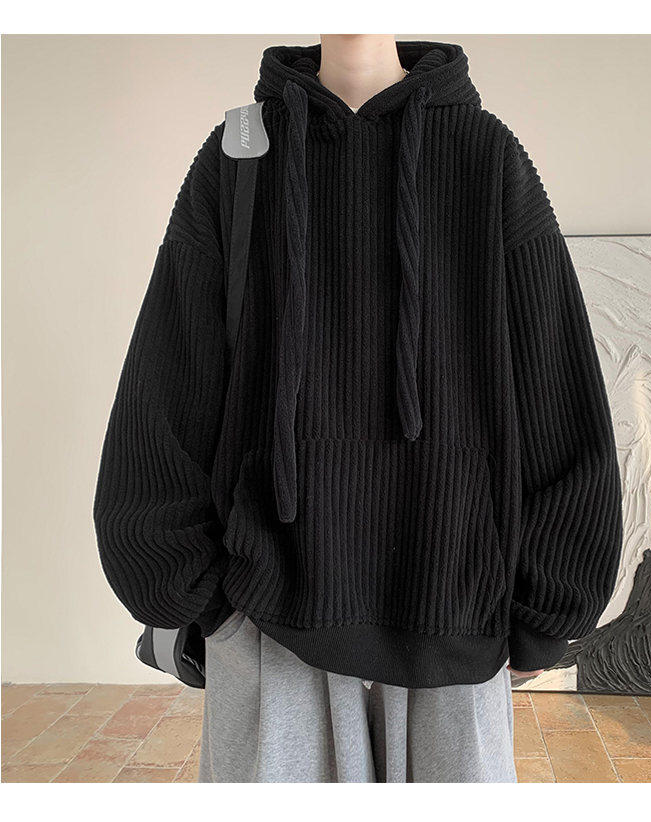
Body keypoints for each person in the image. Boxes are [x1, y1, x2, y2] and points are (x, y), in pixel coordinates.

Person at [94, 35, 623, 782]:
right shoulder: (239, 155)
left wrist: (546, 606)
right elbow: (169, 380)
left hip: (454, 597)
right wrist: (198, 596)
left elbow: (554, 383)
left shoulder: (485, 154)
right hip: (269, 605)